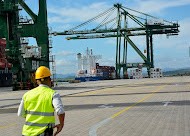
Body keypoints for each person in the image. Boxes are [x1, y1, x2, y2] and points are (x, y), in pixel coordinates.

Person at [18, 66, 65, 136]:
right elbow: (60, 111)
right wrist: (61, 124)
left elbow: (20, 114)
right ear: (49, 79)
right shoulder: (53, 94)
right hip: (44, 133)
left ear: (37, 81)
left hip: (26, 133)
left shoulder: (26, 95)